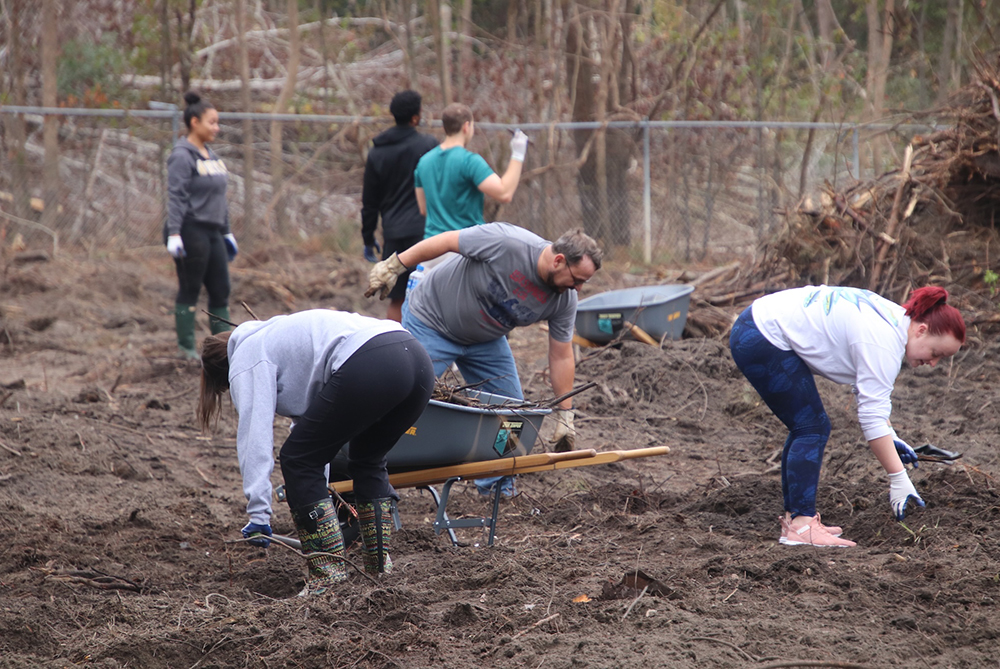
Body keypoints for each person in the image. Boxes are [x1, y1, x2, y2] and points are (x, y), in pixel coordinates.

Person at [198, 309, 434, 595]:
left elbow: (255, 435)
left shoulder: (247, 357)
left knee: (296, 459)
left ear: (223, 376)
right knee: (368, 461)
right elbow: (315, 439)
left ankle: (328, 578)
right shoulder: (278, 337)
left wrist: (258, 513)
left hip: (371, 361)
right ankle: (379, 568)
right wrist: (317, 492)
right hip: (415, 358)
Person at [364, 223, 602, 494]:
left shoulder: (564, 299)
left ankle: (497, 490)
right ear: (559, 261)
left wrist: (565, 414)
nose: (579, 289)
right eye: (577, 279)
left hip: (486, 341)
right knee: (403, 394)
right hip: (432, 322)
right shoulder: (507, 242)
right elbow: (447, 241)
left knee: (512, 414)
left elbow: (561, 355)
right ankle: (362, 464)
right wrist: (396, 265)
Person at [729, 285, 966, 547]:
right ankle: (801, 525)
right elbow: (870, 419)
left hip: (756, 325)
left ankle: (796, 520)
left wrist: (892, 436)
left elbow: (871, 401)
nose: (933, 363)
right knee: (811, 427)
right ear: (921, 330)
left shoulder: (894, 322)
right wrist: (898, 477)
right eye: (936, 353)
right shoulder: (883, 341)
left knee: (806, 426)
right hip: (761, 335)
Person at [164, 91, 238, 360]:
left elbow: (220, 196)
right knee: (191, 286)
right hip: (189, 229)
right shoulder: (182, 156)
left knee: (221, 288)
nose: (216, 128)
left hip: (213, 230)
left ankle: (222, 349)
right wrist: (174, 233)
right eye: (212, 122)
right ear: (195, 122)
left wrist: (227, 230)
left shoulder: (212, 156)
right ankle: (186, 348)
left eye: (217, 122)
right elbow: (176, 196)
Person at [361, 90, 439, 322]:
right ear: (416, 117)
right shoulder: (428, 145)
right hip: (425, 233)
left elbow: (370, 202)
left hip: (394, 233)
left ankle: (395, 350)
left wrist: (367, 237)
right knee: (430, 295)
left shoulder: (377, 153)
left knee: (396, 297)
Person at [414, 103, 529, 240]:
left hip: (432, 247)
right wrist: (518, 154)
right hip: (464, 248)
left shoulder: (423, 162)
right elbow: (504, 193)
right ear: (466, 127)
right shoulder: (469, 161)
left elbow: (423, 209)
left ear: (444, 127)